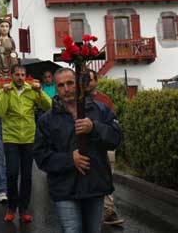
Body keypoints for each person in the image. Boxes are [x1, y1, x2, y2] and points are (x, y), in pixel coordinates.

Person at [34, 68, 122, 233]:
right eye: (61, 85)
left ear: (78, 85)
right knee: (72, 229)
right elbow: (41, 156)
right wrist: (69, 159)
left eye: (70, 83)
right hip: (64, 188)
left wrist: (94, 127)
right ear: (56, 88)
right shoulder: (47, 120)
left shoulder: (99, 110)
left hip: (94, 185)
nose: (66, 89)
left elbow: (116, 138)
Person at [0, 64, 52, 223]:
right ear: (11, 76)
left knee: (27, 176)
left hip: (28, 138)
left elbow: (48, 106)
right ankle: (12, 207)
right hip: (11, 138)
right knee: (12, 173)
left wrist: (40, 92)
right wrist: (5, 94)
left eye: (22, 75)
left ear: (25, 76)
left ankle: (24, 208)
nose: (20, 78)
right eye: (17, 75)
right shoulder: (3, 91)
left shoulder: (31, 90)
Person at [86, 69, 125, 226]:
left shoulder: (104, 100)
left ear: (96, 81)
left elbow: (112, 124)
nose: (87, 83)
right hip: (87, 147)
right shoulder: (77, 99)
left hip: (104, 145)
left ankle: (108, 210)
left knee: (107, 174)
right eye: (84, 80)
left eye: (90, 80)